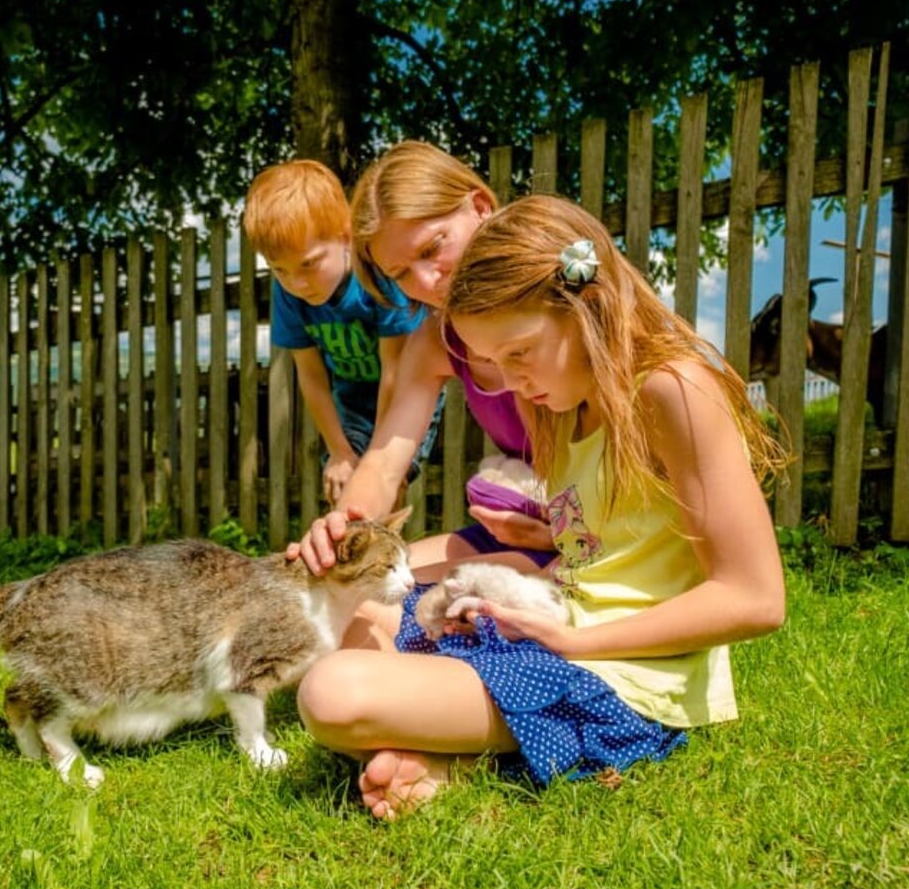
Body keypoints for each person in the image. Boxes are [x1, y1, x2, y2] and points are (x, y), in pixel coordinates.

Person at [296, 193, 787, 820]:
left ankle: (470, 744)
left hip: (625, 672)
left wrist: (573, 643)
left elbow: (755, 599)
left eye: (519, 354)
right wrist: (512, 592)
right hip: (556, 626)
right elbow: (602, 556)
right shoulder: (562, 405)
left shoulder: (675, 390)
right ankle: (458, 755)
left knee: (332, 693)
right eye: (495, 363)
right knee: (357, 610)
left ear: (583, 306)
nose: (509, 381)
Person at [292, 140, 554, 582]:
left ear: (481, 206)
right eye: (400, 274)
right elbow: (382, 461)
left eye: (432, 249)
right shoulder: (436, 341)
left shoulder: (562, 311)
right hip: (521, 531)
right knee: (369, 593)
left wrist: (565, 536)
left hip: (600, 540)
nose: (427, 282)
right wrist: (339, 532)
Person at [243, 159, 442, 505]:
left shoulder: (377, 277)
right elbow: (312, 376)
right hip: (350, 400)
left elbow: (394, 371)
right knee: (345, 484)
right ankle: (354, 555)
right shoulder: (288, 294)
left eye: (309, 263)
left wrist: (377, 459)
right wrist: (340, 452)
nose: (297, 282)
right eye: (280, 270)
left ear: (345, 235)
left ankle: (382, 556)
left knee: (385, 482)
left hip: (404, 388)